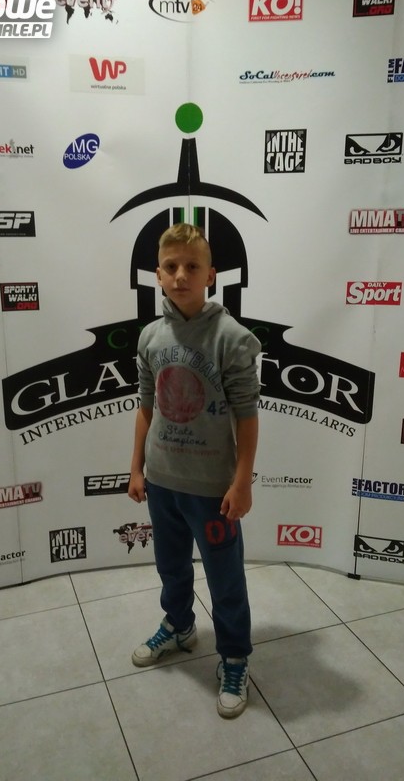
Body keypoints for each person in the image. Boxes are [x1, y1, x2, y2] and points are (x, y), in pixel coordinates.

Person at [127, 223, 260, 718]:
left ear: (211, 275)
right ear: (158, 275)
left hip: (211, 489)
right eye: (171, 266)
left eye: (192, 266)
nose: (181, 275)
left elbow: (247, 416)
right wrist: (136, 468)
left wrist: (241, 481)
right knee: (171, 566)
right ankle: (180, 626)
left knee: (225, 580)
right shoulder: (150, 336)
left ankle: (234, 657)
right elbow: (146, 406)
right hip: (162, 481)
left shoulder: (232, 338)